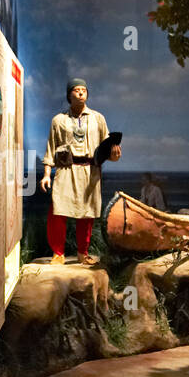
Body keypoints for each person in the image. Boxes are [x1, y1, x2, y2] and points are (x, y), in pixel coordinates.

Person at [40, 77, 121, 265]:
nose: (81, 93)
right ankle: (58, 253)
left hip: (90, 170)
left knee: (87, 213)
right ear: (69, 94)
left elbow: (106, 148)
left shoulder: (98, 119)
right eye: (76, 90)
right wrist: (46, 174)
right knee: (58, 211)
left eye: (83, 90)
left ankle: (82, 253)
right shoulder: (58, 120)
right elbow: (51, 148)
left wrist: (114, 155)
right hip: (66, 169)